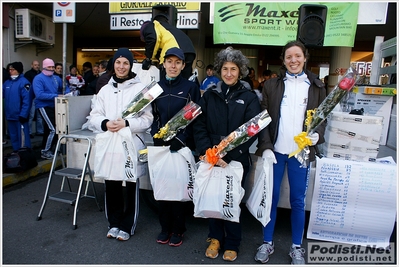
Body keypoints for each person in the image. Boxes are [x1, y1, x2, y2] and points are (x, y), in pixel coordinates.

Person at [254, 40, 327, 265]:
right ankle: (267, 242)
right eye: (288, 57)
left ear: (305, 57)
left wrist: (317, 137)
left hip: (301, 154)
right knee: (271, 198)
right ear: (283, 61)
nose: (293, 60)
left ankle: (296, 247)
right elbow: (263, 120)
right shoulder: (272, 85)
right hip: (276, 152)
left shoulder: (317, 86)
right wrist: (265, 147)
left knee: (297, 200)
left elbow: (322, 118)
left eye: (297, 56)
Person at [193, 47, 261, 262]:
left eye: (233, 69)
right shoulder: (211, 94)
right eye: (225, 68)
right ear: (219, 70)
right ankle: (215, 238)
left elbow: (252, 131)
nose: (229, 73)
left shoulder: (249, 97)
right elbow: (199, 124)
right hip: (212, 157)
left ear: (240, 71)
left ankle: (232, 242)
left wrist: (229, 155)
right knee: (213, 197)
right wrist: (208, 151)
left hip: (236, 159)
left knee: (232, 199)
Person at [89, 48, 153, 241]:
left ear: (131, 65)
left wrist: (127, 123)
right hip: (111, 144)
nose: (122, 66)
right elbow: (94, 115)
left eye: (126, 63)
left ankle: (127, 225)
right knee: (112, 183)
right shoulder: (105, 90)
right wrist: (104, 123)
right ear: (113, 64)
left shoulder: (140, 89)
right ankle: (114, 223)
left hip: (131, 144)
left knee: (131, 182)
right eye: (118, 62)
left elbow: (148, 119)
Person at [150, 47, 201, 247]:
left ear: (183, 65)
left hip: (182, 147)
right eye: (169, 62)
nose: (173, 66)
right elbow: (152, 116)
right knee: (162, 189)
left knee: (179, 190)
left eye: (177, 62)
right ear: (163, 64)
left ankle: (179, 229)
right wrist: (157, 135)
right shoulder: (156, 88)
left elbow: (196, 116)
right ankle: (165, 228)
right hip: (161, 147)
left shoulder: (191, 88)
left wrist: (181, 139)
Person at [140, 14, 196, 80]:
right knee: (184, 82)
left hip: (175, 50)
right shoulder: (170, 29)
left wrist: (148, 58)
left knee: (165, 82)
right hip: (190, 51)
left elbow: (153, 39)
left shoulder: (151, 25)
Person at [32, 58, 63, 160]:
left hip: (54, 105)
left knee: (51, 129)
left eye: (52, 67)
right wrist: (57, 95)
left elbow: (64, 87)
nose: (51, 69)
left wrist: (67, 92)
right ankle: (45, 151)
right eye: (49, 67)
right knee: (53, 129)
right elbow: (39, 95)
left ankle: (47, 149)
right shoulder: (38, 78)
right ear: (44, 67)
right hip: (43, 105)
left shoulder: (55, 78)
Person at [3, 62, 33, 151]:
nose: (10, 71)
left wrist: (23, 114)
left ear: (18, 70)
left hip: (20, 117)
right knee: (13, 137)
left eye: (13, 69)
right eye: (9, 70)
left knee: (23, 139)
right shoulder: (7, 83)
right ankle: (16, 155)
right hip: (10, 116)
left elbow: (27, 100)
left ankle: (25, 156)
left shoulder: (24, 82)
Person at [24, 60, 43, 138]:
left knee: (40, 115)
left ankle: (40, 131)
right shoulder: (28, 74)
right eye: (35, 65)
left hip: (40, 97)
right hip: (32, 97)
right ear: (32, 65)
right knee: (31, 115)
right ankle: (29, 132)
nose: (37, 66)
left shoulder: (41, 74)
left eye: (38, 65)